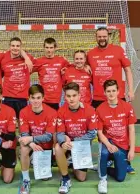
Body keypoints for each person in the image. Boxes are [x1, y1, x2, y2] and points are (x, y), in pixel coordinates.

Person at [87, 27, 135, 173]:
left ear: (108, 36)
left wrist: (130, 89)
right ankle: (105, 159)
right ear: (96, 38)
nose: (102, 38)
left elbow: (127, 69)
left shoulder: (118, 51)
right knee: (101, 130)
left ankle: (126, 161)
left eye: (104, 36)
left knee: (121, 128)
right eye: (99, 36)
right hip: (98, 98)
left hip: (116, 96)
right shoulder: (91, 54)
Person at [55, 82, 97, 194]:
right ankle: (65, 179)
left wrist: (75, 141)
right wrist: (63, 141)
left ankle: (71, 162)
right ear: (65, 97)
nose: (71, 99)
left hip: (81, 145)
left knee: (81, 178)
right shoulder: (61, 111)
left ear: (79, 95)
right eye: (68, 96)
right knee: (57, 147)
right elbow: (59, 133)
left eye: (74, 95)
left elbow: (92, 133)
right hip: (68, 144)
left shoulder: (89, 110)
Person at [96, 79, 136, 194]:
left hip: (122, 143)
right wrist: (108, 144)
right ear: (104, 92)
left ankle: (104, 167)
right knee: (104, 152)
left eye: (114, 90)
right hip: (108, 140)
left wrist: (132, 149)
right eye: (108, 91)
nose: (111, 94)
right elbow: (99, 132)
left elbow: (132, 129)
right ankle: (103, 178)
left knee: (120, 178)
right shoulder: (100, 109)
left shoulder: (127, 107)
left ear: (118, 91)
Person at [18, 84, 57, 194]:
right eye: (33, 98)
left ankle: (37, 160)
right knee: (23, 148)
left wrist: (31, 138)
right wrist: (30, 143)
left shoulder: (52, 112)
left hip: (45, 147)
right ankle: (26, 179)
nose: (35, 101)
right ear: (29, 98)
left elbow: (48, 136)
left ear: (43, 98)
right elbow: (24, 134)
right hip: (32, 145)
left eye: (38, 98)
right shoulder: (23, 112)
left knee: (44, 177)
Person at [1, 37, 35, 118]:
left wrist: (26, 57)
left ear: (21, 47)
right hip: (8, 97)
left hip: (22, 97)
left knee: (22, 123)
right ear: (9, 47)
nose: (15, 48)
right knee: (8, 123)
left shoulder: (29, 59)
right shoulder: (3, 58)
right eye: (13, 46)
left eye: (17, 46)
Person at [33, 37, 70, 110]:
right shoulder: (39, 61)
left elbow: (74, 68)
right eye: (47, 47)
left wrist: (85, 66)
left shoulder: (62, 61)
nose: (49, 50)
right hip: (43, 99)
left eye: (51, 47)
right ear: (44, 48)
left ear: (55, 48)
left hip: (55, 99)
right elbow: (26, 70)